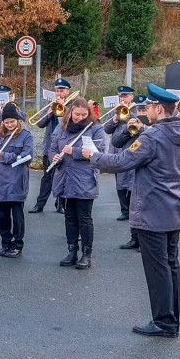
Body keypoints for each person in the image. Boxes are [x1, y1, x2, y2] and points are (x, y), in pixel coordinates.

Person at [83, 83, 180, 338]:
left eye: (148, 107)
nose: (145, 111)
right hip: (175, 207)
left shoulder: (152, 136)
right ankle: (171, 319)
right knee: (171, 265)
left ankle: (164, 322)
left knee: (158, 269)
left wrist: (92, 155)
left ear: (158, 108)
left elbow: (121, 161)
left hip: (153, 210)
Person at [49, 100, 106, 269]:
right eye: (76, 115)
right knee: (70, 216)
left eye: (84, 115)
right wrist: (54, 157)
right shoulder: (61, 127)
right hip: (65, 177)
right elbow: (52, 147)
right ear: (70, 113)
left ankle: (86, 254)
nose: (80, 118)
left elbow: (99, 151)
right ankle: (71, 251)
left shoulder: (96, 128)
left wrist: (73, 151)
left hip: (84, 178)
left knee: (84, 218)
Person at [0, 103, 34, 257]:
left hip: (16, 180)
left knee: (17, 215)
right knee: (2, 215)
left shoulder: (26, 136)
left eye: (12, 122)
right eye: (6, 122)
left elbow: (28, 157)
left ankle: (17, 245)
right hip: (0, 181)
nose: (9, 125)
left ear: (18, 121)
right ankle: (5, 242)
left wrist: (5, 156)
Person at [111, 94, 150, 251]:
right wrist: (127, 130)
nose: (140, 112)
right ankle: (134, 238)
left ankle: (144, 241)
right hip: (127, 168)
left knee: (143, 207)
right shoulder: (127, 120)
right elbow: (116, 142)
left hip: (143, 170)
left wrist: (142, 128)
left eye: (143, 109)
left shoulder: (152, 126)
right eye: (139, 109)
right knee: (133, 207)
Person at [28, 78, 70, 214]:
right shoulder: (49, 105)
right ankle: (39, 205)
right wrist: (49, 112)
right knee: (47, 176)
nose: (58, 93)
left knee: (64, 176)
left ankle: (61, 204)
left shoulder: (72, 106)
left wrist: (64, 111)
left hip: (65, 146)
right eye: (57, 90)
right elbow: (40, 124)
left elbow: (71, 124)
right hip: (49, 147)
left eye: (61, 90)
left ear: (68, 92)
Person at [103, 86, 138, 220]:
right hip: (116, 149)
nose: (123, 98)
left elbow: (138, 123)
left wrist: (126, 114)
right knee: (119, 181)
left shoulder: (136, 109)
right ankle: (124, 210)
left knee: (132, 179)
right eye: (121, 96)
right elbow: (106, 128)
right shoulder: (115, 111)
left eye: (125, 96)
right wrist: (116, 118)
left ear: (131, 97)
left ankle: (132, 209)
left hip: (131, 147)